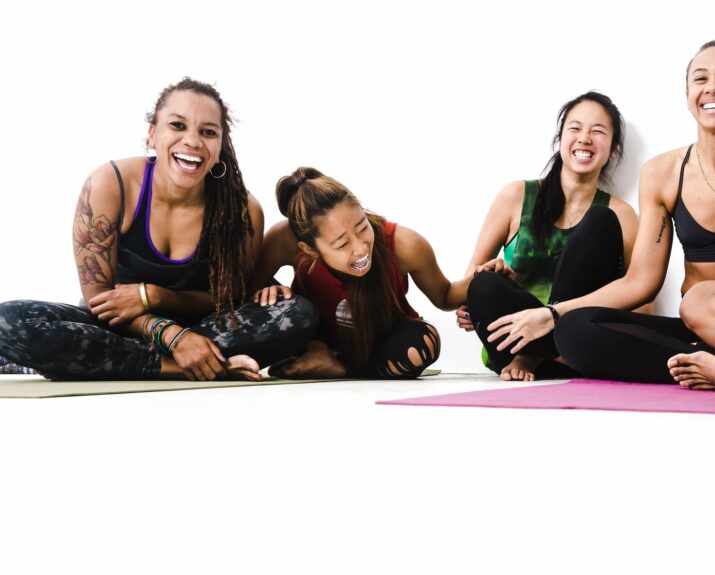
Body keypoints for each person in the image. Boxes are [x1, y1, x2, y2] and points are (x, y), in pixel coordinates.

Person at [498, 42, 715, 385]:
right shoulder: (661, 173)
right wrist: (553, 313)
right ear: (688, 94)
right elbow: (641, 282)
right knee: (574, 331)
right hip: (697, 330)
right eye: (700, 78)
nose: (712, 88)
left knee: (696, 302)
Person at [0, 78, 316, 381]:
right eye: (177, 125)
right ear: (152, 133)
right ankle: (182, 366)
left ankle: (90, 361)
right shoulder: (110, 185)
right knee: (6, 321)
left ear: (221, 145)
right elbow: (99, 301)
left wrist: (154, 296)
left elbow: (228, 299)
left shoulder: (243, 211)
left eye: (208, 131)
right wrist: (172, 337)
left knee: (298, 314)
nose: (192, 141)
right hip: (122, 326)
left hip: (204, 330)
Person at [253, 168, 510, 379]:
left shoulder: (405, 244)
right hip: (315, 341)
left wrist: (483, 277)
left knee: (424, 344)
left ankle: (340, 369)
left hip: (378, 344)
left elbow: (444, 296)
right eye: (342, 244)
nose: (360, 247)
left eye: (362, 227)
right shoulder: (283, 239)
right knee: (288, 318)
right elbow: (246, 284)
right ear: (308, 248)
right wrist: (269, 287)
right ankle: (321, 356)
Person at [459, 91, 640, 381]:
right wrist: (473, 304)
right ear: (560, 139)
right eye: (575, 128)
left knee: (600, 221)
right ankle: (534, 352)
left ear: (613, 150)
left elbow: (639, 300)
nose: (584, 138)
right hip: (512, 343)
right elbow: (470, 279)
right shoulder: (515, 196)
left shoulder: (621, 215)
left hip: (577, 343)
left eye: (598, 131)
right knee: (483, 286)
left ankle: (534, 356)